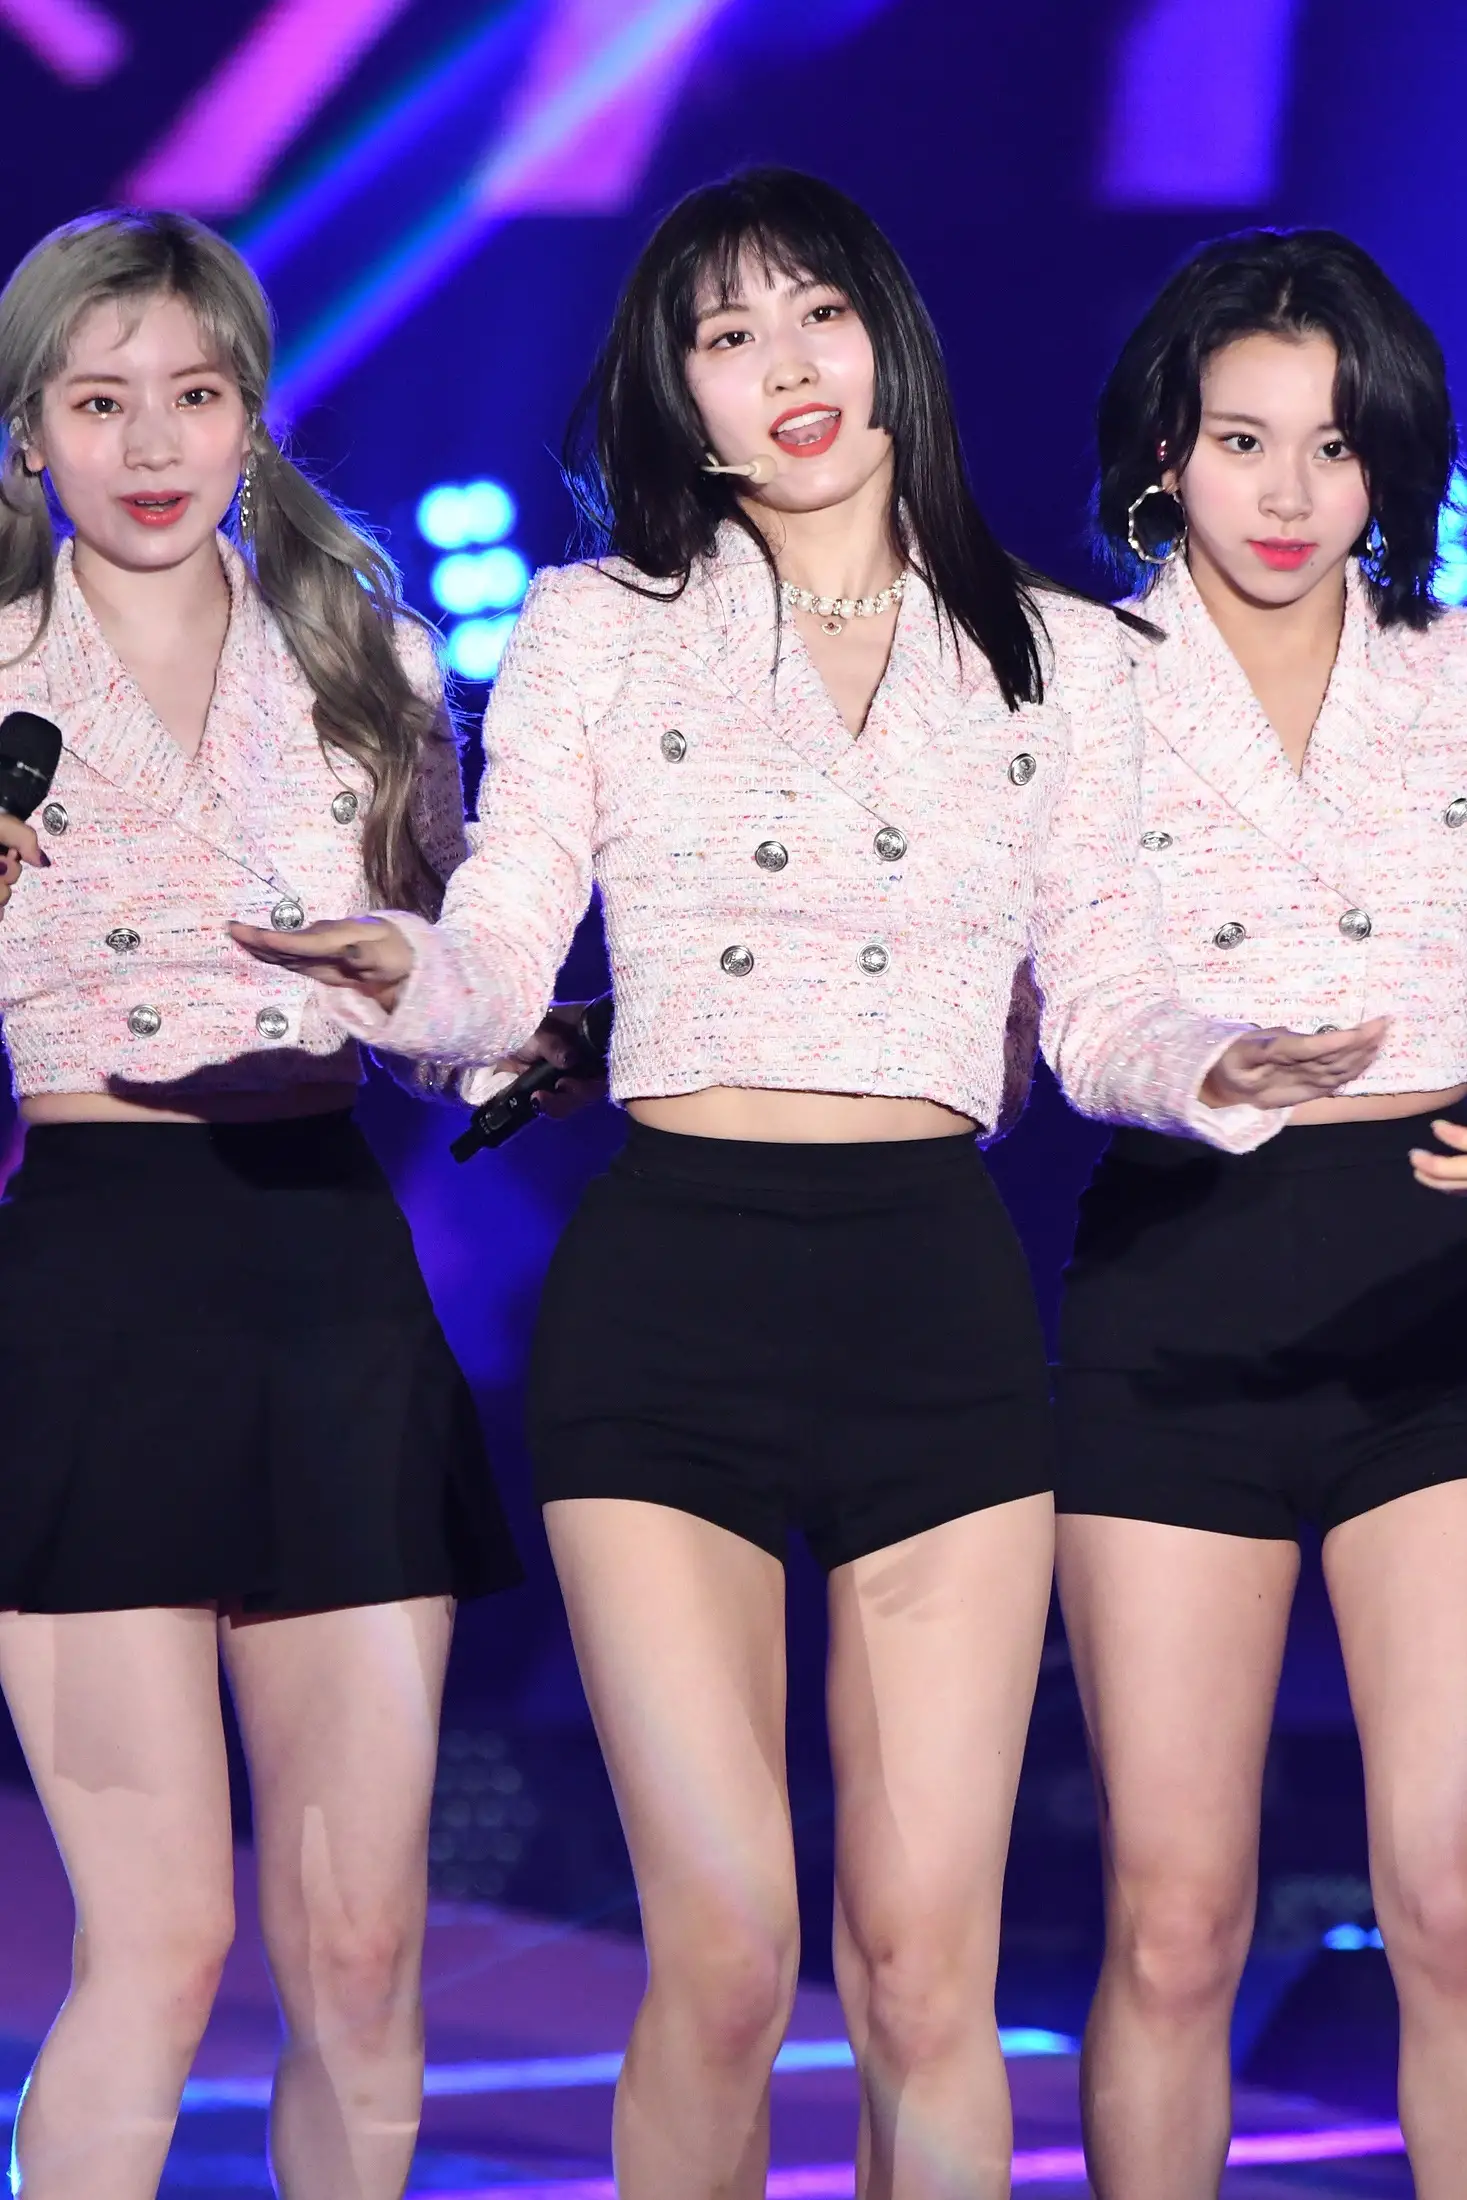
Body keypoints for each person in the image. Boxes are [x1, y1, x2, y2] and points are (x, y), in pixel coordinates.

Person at [234, 171, 1378, 2200]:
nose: (784, 365)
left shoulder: (1061, 655)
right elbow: (503, 937)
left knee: (927, 1970)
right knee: (731, 1952)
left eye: (816, 314)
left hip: (933, 1304)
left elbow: (1102, 996)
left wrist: (1210, 1063)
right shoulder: (597, 630)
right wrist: (404, 973)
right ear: (676, 395)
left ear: (886, 339)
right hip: (666, 1302)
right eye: (726, 334)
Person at [0, 209, 534, 2200]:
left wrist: (479, 1017)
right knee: (159, 1939)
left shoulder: (363, 654)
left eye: (196, 396)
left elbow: (455, 997)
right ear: (29, 431)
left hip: (325, 1269)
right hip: (90, 1277)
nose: (152, 445)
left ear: (253, 413)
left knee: (359, 1947)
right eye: (99, 402)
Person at [1053, 227, 1467, 2200]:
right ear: (1166, 451)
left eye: (1333, 443)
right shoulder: (1073, 681)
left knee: (1450, 1890)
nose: (1288, 492)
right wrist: (1219, 1062)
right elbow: (1072, 1005)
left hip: (1438, 1282)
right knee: (1172, 1916)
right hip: (1180, 1280)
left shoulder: (1453, 673)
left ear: (1391, 462)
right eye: (1241, 439)